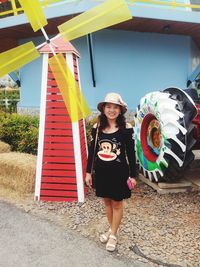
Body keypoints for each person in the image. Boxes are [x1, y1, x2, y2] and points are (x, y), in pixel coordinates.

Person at [85, 92, 137, 252]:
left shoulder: (126, 128)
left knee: (117, 203)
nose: (112, 110)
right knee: (106, 202)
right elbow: (92, 151)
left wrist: (133, 175)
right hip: (101, 172)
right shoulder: (97, 127)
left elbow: (130, 153)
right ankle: (113, 230)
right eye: (109, 106)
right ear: (103, 109)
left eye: (115, 107)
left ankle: (113, 234)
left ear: (120, 110)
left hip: (119, 173)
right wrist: (88, 172)